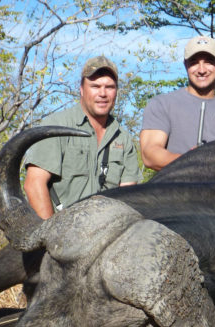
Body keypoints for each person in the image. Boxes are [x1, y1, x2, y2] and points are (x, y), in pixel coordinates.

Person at [23, 56, 140, 219]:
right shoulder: (55, 126)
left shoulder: (123, 138)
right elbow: (34, 184)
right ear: (82, 89)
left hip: (109, 228)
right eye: (95, 86)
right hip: (62, 226)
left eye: (109, 87)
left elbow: (128, 197)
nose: (103, 93)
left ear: (116, 92)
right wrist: (51, 232)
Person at [140, 35, 215, 171]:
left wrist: (214, 163)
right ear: (185, 65)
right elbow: (150, 154)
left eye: (209, 62)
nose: (201, 70)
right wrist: (192, 160)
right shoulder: (162, 104)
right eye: (194, 62)